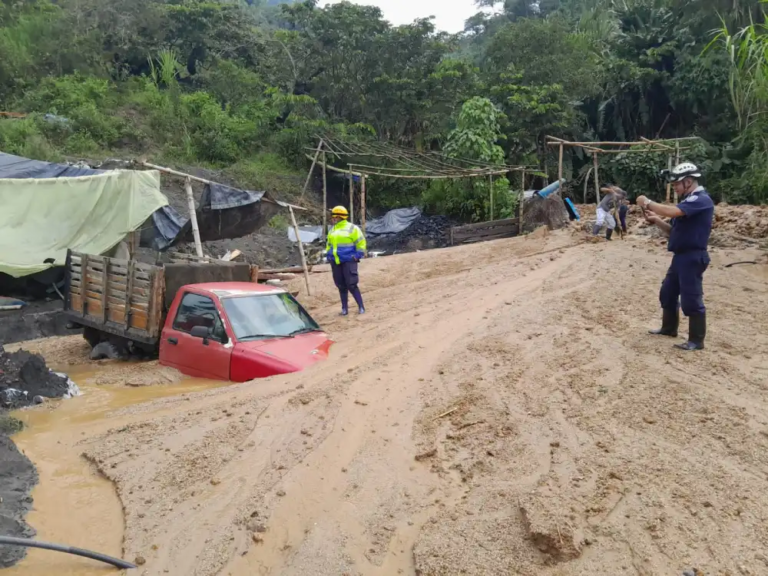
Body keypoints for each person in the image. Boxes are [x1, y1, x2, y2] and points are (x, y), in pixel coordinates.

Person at [636, 162, 714, 351]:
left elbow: (673, 211)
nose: (675, 188)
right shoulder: (688, 202)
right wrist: (657, 221)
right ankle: (669, 328)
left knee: (691, 298)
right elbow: (673, 232)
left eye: (677, 184)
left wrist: (647, 202)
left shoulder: (700, 200)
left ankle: (696, 340)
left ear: (688, 181)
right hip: (680, 257)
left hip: (693, 257)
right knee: (668, 293)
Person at [325, 206, 367, 316]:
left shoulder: (352, 228)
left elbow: (361, 243)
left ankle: (361, 307)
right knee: (341, 285)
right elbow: (329, 245)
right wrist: (329, 256)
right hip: (336, 262)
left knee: (351, 284)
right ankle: (344, 309)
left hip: (349, 261)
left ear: (338, 217)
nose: (331, 218)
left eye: (333, 216)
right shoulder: (332, 230)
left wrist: (357, 256)